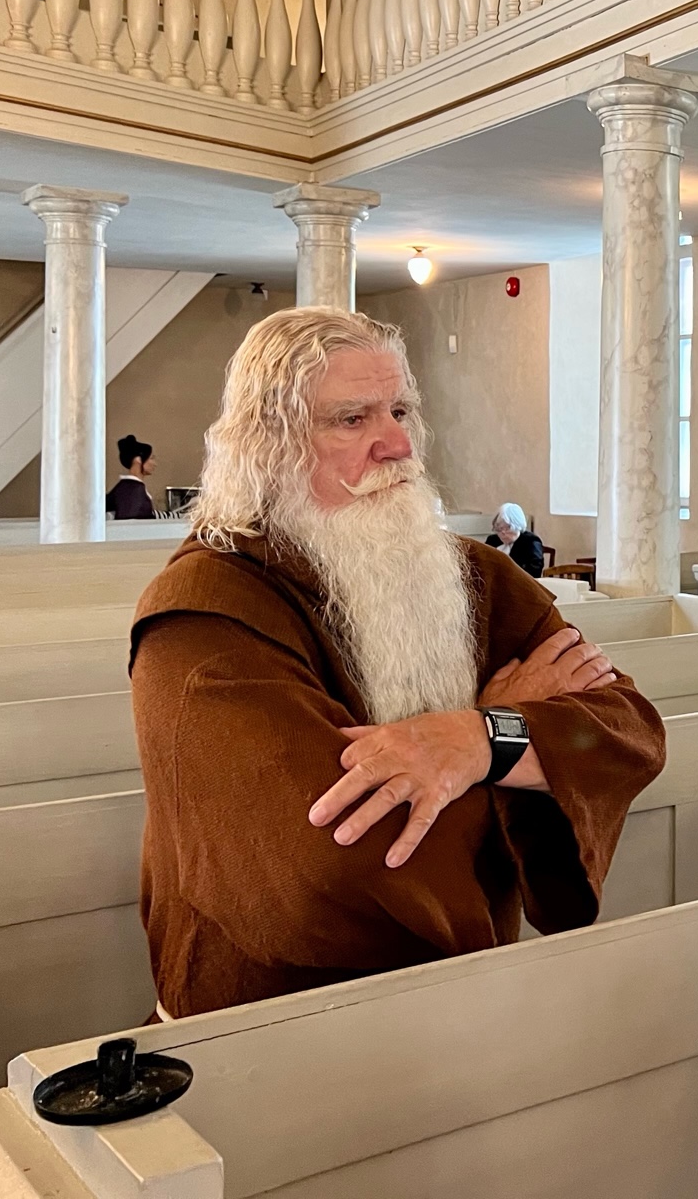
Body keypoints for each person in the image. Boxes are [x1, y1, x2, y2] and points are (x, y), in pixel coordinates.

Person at [130, 308, 666, 1017]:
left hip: (468, 998)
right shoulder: (204, 610)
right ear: (268, 444)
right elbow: (329, 857)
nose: (396, 444)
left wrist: (480, 740)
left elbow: (627, 728)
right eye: (351, 420)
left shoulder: (471, 575)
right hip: (270, 1022)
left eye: (401, 410)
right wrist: (510, 733)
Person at [487, 501, 548, 577]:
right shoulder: (492, 541)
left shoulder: (531, 542)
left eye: (507, 528)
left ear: (517, 526)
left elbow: (534, 572)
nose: (503, 532)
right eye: (499, 529)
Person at [106, 434, 158, 520]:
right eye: (151, 458)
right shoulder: (132, 490)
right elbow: (129, 524)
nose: (154, 464)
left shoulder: (127, 487)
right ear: (138, 459)